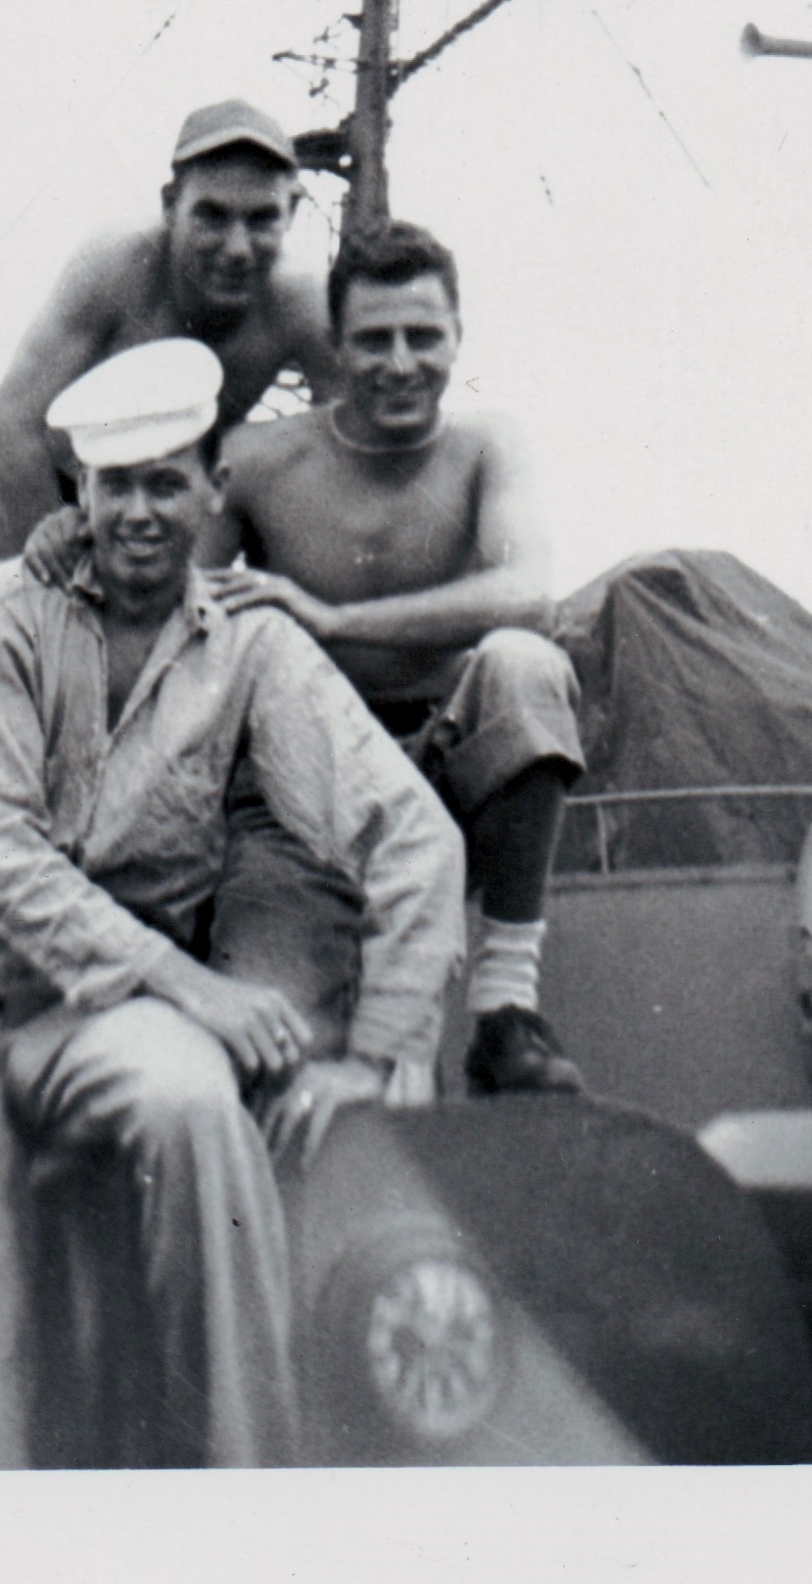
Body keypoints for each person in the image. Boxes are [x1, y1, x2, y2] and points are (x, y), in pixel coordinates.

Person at [0, 337, 463, 1470]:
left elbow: (411, 833)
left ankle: (245, 1493)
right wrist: (199, 989)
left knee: (197, 1104)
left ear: (211, 488)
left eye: (165, 480)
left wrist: (378, 1044)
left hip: (112, 1017)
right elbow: (6, 859)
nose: (139, 511)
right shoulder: (7, 613)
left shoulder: (250, 649)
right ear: (80, 494)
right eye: (115, 484)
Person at [206, 220, 588, 1100]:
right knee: (285, 1053)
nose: (400, 362)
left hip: (449, 768)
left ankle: (504, 1008)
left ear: (458, 338)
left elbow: (529, 590)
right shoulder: (258, 462)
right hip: (309, 793)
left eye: (424, 336)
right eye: (373, 340)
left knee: (522, 662)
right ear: (335, 348)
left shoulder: (485, 446)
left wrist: (334, 620)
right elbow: (187, 624)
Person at [0, 99, 340, 578]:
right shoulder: (117, 265)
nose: (237, 248)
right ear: (170, 205)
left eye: (261, 219)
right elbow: (8, 430)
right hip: (39, 491)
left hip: (167, 506)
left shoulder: (304, 301)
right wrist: (70, 579)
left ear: (293, 211)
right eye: (211, 216)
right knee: (60, 642)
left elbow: (345, 447)